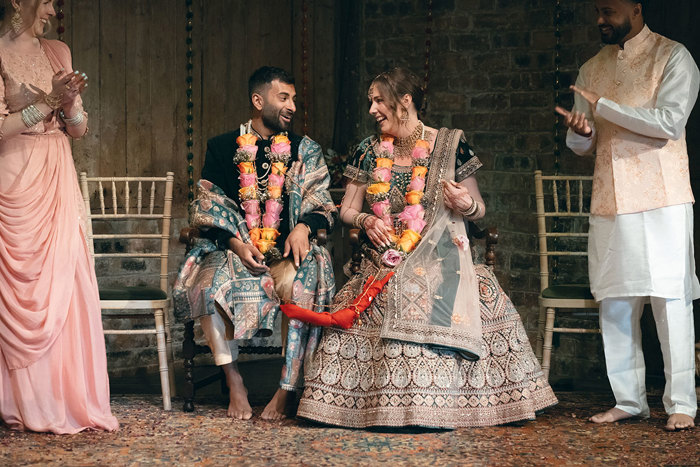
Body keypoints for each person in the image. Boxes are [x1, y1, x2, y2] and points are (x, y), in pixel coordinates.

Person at [292, 67, 557, 428]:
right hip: (385, 254)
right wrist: (367, 221)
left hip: (444, 253)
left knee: (448, 285)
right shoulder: (368, 150)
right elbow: (347, 209)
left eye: (379, 100)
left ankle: (451, 403)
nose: (371, 109)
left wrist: (466, 205)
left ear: (405, 101)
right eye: (370, 101)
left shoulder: (450, 144)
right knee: (392, 285)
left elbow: (479, 210)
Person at [556, 0, 699, 431]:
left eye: (609, 11)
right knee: (615, 302)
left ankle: (682, 404)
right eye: (597, 11)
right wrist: (582, 134)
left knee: (669, 298)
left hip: (663, 198)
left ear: (636, 8)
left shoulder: (673, 56)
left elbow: (670, 122)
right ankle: (629, 400)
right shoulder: (591, 68)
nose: (601, 20)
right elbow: (580, 143)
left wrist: (604, 107)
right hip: (611, 198)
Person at [173, 66, 337, 421]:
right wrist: (236, 244)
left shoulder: (304, 150)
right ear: (258, 100)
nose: (292, 106)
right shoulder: (221, 147)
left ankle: (286, 390)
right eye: (284, 98)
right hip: (235, 252)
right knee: (205, 287)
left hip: (288, 254)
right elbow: (208, 206)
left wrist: (304, 228)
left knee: (308, 280)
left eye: (294, 98)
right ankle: (234, 381)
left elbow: (323, 202)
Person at [0, 0, 118, 433]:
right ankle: (22, 401)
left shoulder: (58, 51)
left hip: (56, 170)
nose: (51, 8)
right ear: (18, 1)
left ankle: (68, 396)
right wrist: (45, 100)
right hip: (13, 175)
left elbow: (79, 128)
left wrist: (68, 102)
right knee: (21, 286)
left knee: (66, 282)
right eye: (45, 0)